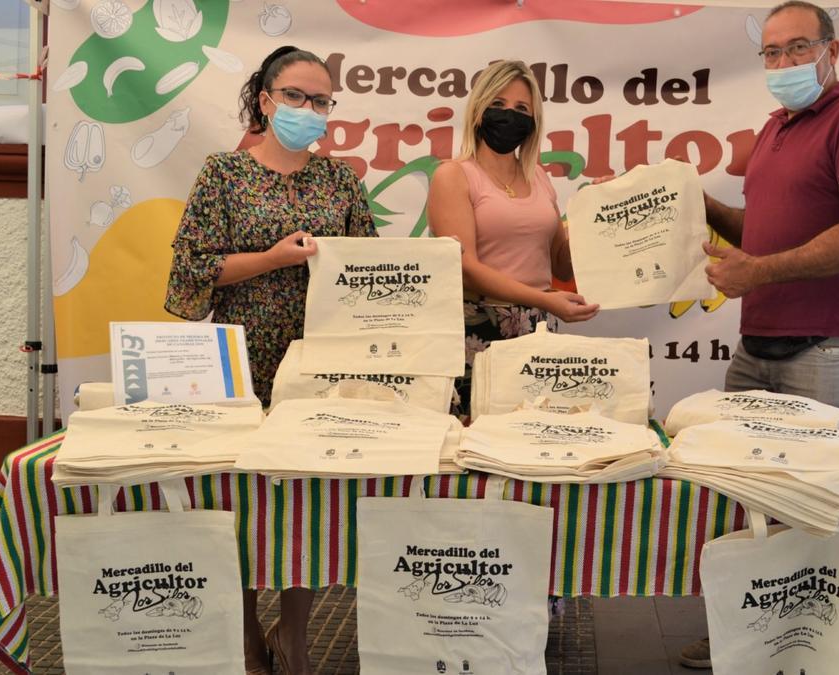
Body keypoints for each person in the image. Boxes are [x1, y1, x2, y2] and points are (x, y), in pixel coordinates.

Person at [680, 1, 839, 669]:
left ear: (832, 52)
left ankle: (810, 647)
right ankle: (745, 637)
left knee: (812, 499)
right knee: (747, 495)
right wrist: (692, 202)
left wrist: (760, 271)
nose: (783, 63)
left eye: (797, 48)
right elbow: (762, 233)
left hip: (828, 343)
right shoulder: (776, 128)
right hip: (761, 343)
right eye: (772, 53)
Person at [165, 45, 376, 675]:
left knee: (306, 500)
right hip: (243, 362)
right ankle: (249, 638)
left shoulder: (339, 180)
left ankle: (295, 633)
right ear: (265, 99)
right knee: (242, 501)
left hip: (318, 366)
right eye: (295, 97)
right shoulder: (222, 176)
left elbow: (367, 270)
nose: (309, 110)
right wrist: (271, 258)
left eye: (320, 101)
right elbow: (191, 272)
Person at [426, 59, 599, 420]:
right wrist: (544, 301)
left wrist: (598, 209)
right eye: (498, 105)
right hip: (478, 331)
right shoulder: (453, 175)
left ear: (534, 119)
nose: (510, 115)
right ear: (478, 111)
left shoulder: (538, 176)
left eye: (522, 108)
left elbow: (560, 262)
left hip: (539, 331)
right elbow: (465, 269)